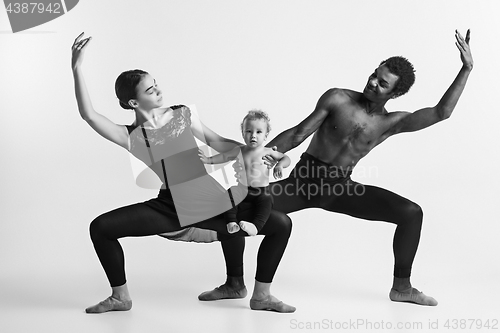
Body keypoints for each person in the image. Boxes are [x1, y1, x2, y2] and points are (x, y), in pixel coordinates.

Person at [201, 29, 473, 306]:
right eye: (374, 75)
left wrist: (466, 69)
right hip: (301, 183)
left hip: (340, 189)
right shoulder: (338, 98)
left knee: (411, 213)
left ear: (396, 92)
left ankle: (402, 287)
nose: (373, 83)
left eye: (382, 83)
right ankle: (234, 284)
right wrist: (259, 158)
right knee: (233, 208)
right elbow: (298, 133)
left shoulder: (393, 122)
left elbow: (442, 112)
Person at [71, 33, 295, 314]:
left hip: (214, 198)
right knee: (101, 228)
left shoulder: (182, 113)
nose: (158, 91)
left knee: (280, 224)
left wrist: (258, 151)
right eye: (149, 90)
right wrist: (77, 68)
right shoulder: (130, 135)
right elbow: (90, 116)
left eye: (156, 84)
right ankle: (120, 297)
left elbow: (218, 142)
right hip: (172, 207)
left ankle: (254, 293)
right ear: (133, 103)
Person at [199, 110, 291, 236]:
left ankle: (255, 226)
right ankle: (231, 222)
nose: (253, 135)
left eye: (258, 132)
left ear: (266, 135)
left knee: (267, 199)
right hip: (241, 189)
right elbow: (224, 157)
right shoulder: (239, 150)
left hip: (261, 191)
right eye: (249, 131)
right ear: (243, 133)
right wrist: (208, 160)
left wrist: (280, 165)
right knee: (230, 193)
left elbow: (286, 158)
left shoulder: (268, 152)